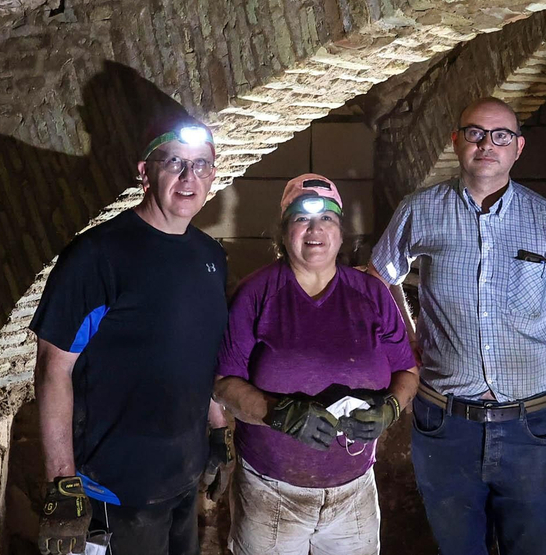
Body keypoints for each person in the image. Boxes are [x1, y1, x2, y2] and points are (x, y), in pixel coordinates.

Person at [370, 97, 546, 555]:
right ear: (456, 142)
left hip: (533, 429)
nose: (487, 144)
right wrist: (409, 339)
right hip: (446, 426)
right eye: (475, 133)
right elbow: (379, 279)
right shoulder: (421, 210)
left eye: (500, 136)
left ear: (518, 148)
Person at [29, 118, 235, 555]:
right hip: (114, 488)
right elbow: (53, 368)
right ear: (144, 172)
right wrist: (61, 484)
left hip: (183, 476)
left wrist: (218, 431)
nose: (188, 177)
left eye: (201, 165)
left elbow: (202, 352)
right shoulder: (96, 257)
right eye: (175, 162)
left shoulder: (210, 255)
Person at [214, 174, 418, 555]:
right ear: (284, 230)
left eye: (327, 219)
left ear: (341, 234)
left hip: (354, 492)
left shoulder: (371, 294)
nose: (315, 229)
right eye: (301, 219)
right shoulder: (256, 294)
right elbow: (224, 382)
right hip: (271, 493)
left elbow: (407, 371)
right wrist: (279, 413)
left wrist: (390, 408)